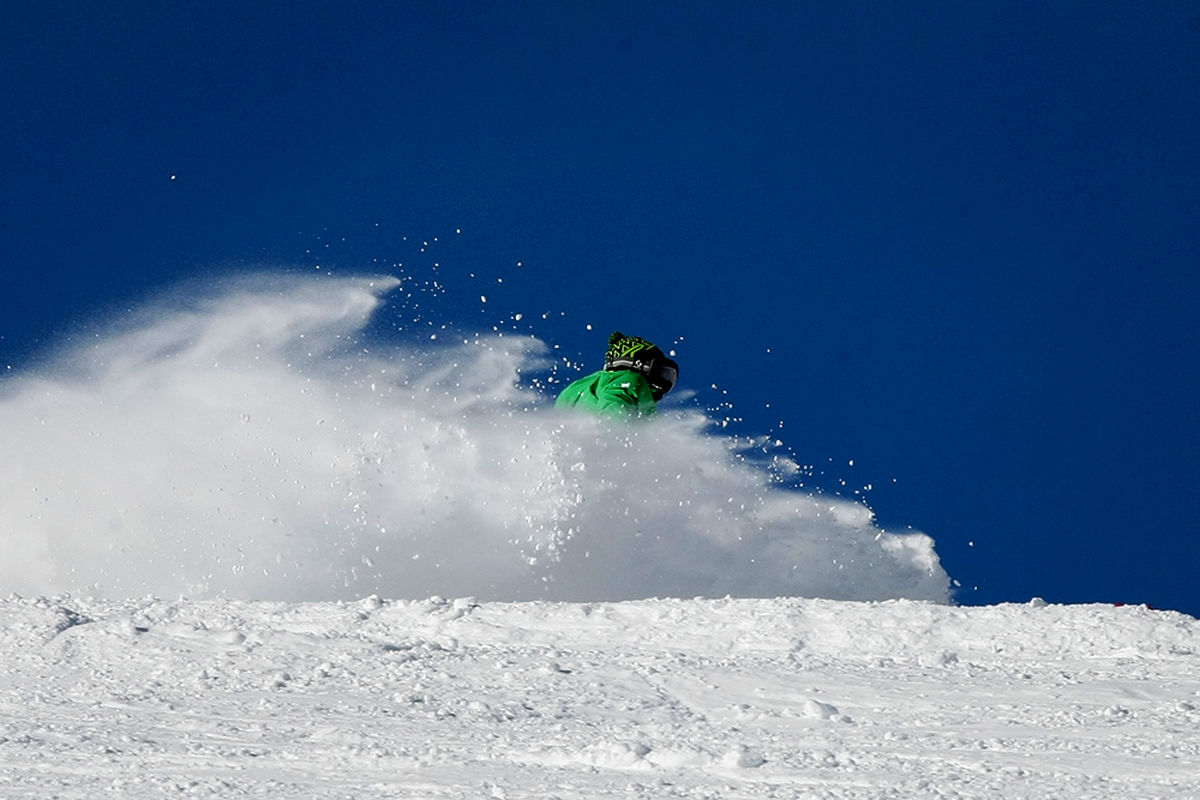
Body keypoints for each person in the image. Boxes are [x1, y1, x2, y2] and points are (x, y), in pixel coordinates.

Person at [555, 331, 679, 416]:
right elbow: (615, 405)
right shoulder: (633, 380)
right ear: (641, 363)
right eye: (662, 373)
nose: (665, 383)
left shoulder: (578, 387)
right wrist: (618, 435)